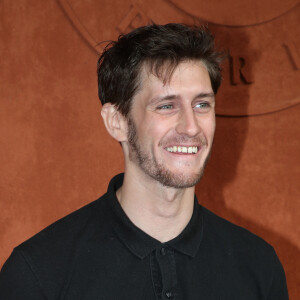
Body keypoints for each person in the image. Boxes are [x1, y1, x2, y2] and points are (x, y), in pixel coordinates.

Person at [0, 23, 288, 299]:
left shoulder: (258, 266)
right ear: (117, 122)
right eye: (166, 106)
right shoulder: (38, 273)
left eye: (202, 105)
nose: (191, 127)